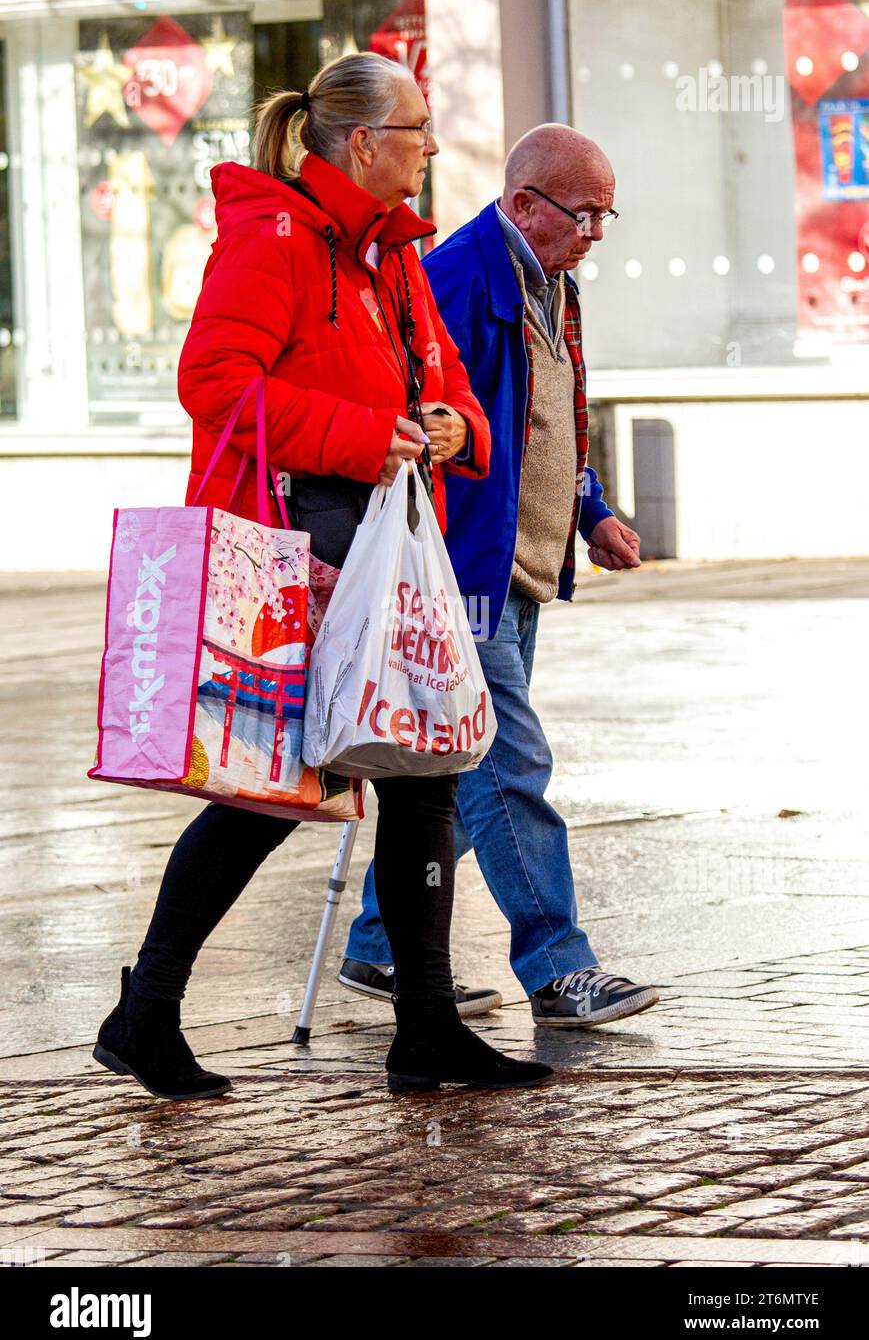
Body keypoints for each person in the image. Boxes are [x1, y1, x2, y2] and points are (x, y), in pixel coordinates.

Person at [92, 54, 553, 1100]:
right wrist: (368, 435)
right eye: (417, 128)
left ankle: (422, 1023)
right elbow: (211, 380)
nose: (431, 147)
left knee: (418, 774)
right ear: (361, 142)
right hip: (298, 549)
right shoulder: (275, 240)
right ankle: (147, 1007)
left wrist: (449, 428)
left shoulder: (389, 258)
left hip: (384, 548)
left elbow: (453, 396)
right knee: (275, 787)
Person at [340, 125, 661, 1029]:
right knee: (504, 766)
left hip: (520, 568)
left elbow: (548, 419)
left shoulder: (551, 282)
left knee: (447, 772)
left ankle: (377, 946)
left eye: (605, 214)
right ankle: (558, 967)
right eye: (583, 213)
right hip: (462, 571)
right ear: (525, 204)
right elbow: (427, 425)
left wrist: (589, 511)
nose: (595, 232)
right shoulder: (459, 278)